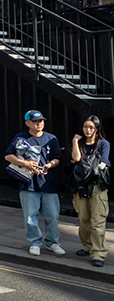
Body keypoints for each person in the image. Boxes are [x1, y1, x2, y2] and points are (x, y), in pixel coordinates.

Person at [5, 110, 65, 256]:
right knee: (30, 216)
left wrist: (49, 165)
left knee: (52, 215)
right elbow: (8, 156)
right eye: (36, 121)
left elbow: (57, 158)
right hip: (28, 183)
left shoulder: (51, 138)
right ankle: (34, 242)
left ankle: (53, 243)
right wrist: (25, 163)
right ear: (28, 123)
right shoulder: (20, 138)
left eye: (41, 121)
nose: (39, 123)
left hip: (48, 183)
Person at [70, 115, 110, 268]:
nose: (88, 130)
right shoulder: (79, 143)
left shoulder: (103, 144)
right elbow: (75, 159)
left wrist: (89, 169)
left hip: (96, 187)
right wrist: (74, 141)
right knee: (84, 220)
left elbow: (104, 162)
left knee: (97, 222)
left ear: (97, 129)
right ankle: (87, 247)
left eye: (91, 127)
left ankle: (98, 253)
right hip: (81, 187)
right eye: (85, 127)